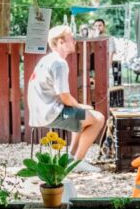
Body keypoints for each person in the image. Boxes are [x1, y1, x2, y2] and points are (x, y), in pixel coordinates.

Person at [26, 25, 105, 169]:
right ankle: (77, 163)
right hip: (51, 113)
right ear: (61, 42)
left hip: (39, 113)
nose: (74, 41)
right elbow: (64, 97)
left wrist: (80, 108)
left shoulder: (46, 60)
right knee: (98, 118)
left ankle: (71, 157)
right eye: (71, 39)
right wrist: (80, 106)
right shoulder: (59, 63)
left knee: (84, 115)